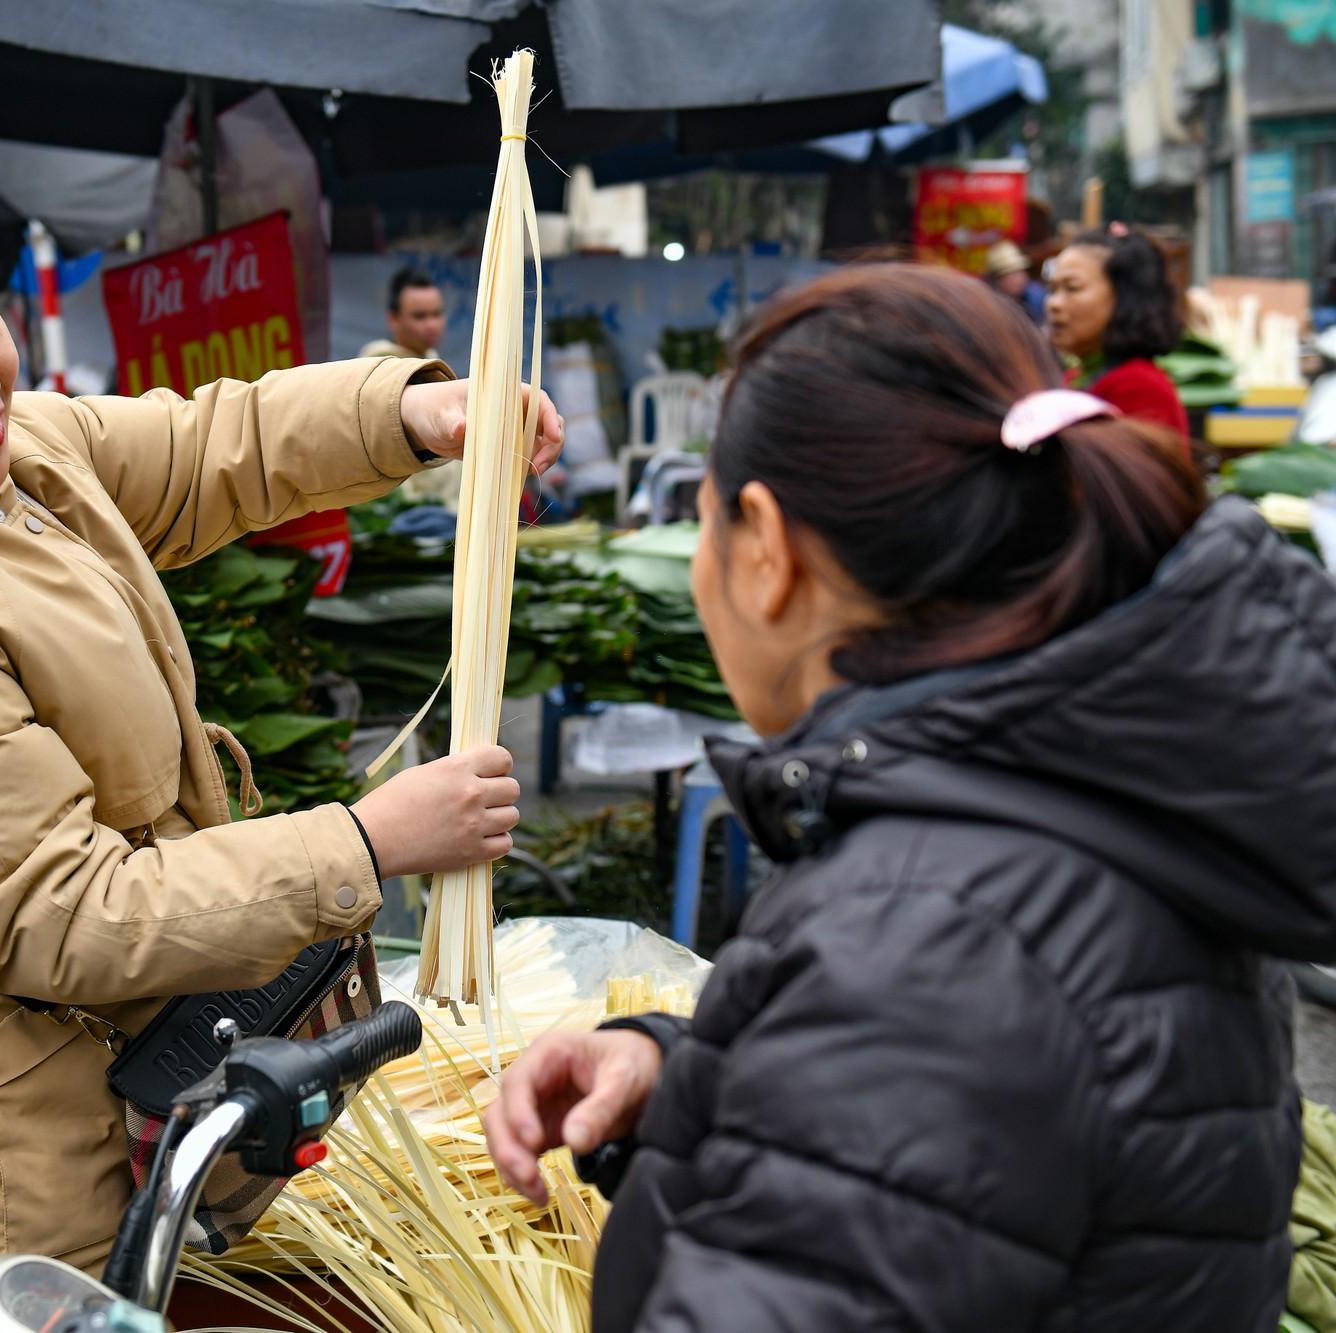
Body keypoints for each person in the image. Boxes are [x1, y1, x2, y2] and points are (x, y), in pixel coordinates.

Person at [0, 150, 562, 1309]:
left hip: (100, 1141)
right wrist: (364, 843)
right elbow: (60, 913)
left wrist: (411, 410)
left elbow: (199, 449)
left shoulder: (3, 459)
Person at [485, 263, 1335, 1332]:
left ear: (766, 547)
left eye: (703, 523)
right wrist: (690, 1073)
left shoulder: (927, 942)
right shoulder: (1093, 797)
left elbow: (929, 1064)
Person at [1047, 226, 1189, 436]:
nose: (1054, 304)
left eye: (1072, 288)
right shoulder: (1077, 376)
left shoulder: (1140, 388)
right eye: (1052, 289)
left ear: (1123, 296)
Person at [360, 268, 446, 360]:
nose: (431, 325)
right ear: (394, 319)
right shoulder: (378, 364)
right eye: (419, 316)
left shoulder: (431, 357)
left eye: (437, 314)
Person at [982, 238, 1045, 325]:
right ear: (997, 280)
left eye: (1021, 271)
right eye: (1012, 274)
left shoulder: (1034, 296)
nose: (1020, 278)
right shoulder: (988, 309)